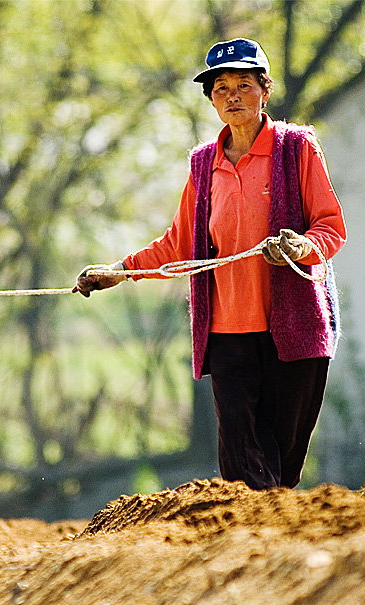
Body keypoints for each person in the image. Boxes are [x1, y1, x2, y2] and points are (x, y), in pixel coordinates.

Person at [73, 38, 346, 491]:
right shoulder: (205, 165)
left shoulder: (296, 148)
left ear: (265, 89)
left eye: (244, 84)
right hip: (228, 333)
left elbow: (331, 227)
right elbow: (179, 244)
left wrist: (300, 247)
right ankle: (247, 548)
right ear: (211, 98)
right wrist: (118, 271)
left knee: (282, 463)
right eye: (221, 87)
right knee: (243, 465)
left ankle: (274, 548)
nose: (233, 95)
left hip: (293, 331)